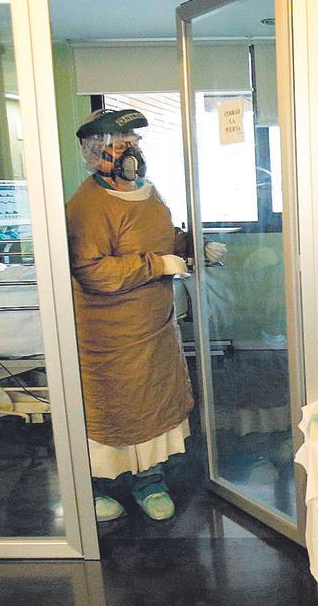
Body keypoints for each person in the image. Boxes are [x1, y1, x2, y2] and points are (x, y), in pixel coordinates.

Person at [66, 108, 224, 523]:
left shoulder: (148, 192)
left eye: (135, 143)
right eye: (122, 145)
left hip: (153, 327)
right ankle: (94, 489)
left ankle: (149, 481)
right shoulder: (87, 206)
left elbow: (160, 236)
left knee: (152, 404)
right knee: (112, 412)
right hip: (108, 335)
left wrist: (191, 247)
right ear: (98, 152)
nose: (132, 152)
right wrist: (158, 265)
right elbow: (91, 271)